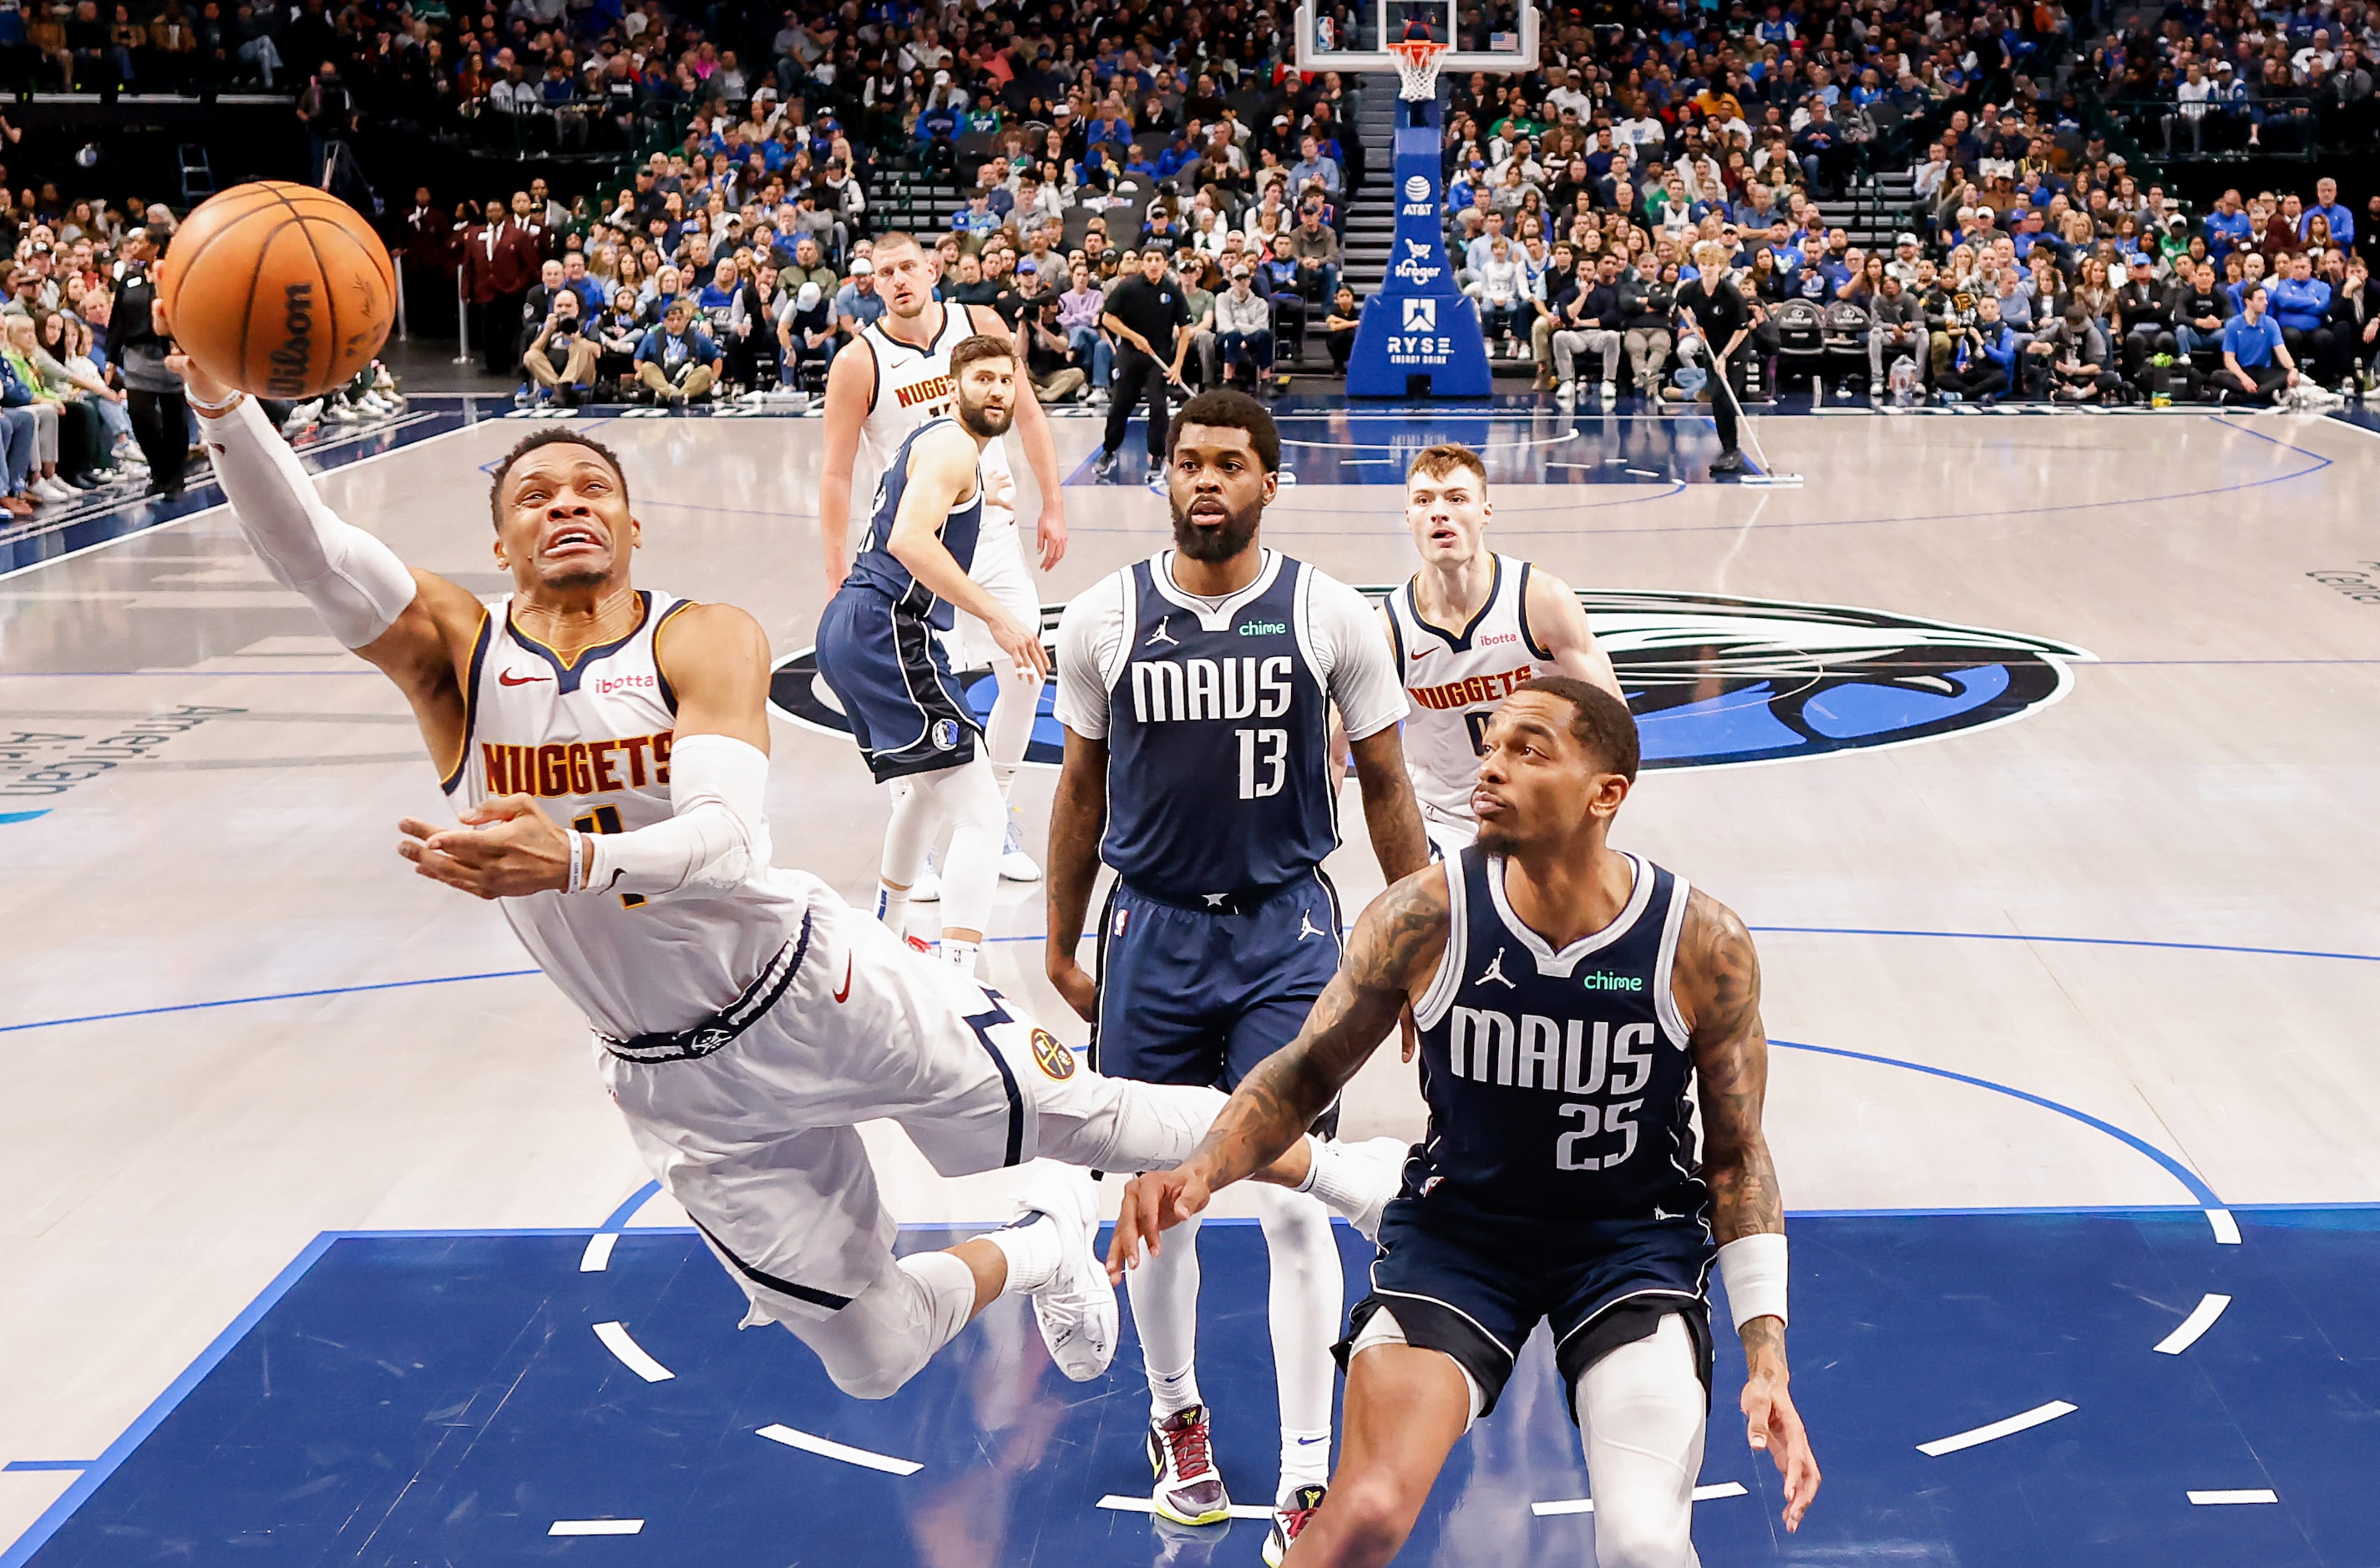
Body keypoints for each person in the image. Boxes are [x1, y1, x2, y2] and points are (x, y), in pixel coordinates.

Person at [170, 330, 1404, 1428]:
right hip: (673, 1075)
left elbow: (725, 836)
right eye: (535, 494)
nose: (568, 506)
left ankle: (1363, 1181)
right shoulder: (456, 654)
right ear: (498, 537)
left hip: (813, 983)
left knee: (1088, 1111)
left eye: (594, 487)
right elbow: (321, 557)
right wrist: (227, 410)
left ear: (634, 523)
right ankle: (1040, 1251)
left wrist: (578, 853)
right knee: (869, 1355)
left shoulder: (698, 634)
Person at [1109, 678, 1823, 1568]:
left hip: (1630, 1244)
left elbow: (1737, 1156)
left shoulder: (1700, 943)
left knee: (1645, 1543)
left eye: (1530, 748)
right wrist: (1200, 1169)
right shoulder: (1425, 914)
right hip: (1460, 1236)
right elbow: (1305, 1069)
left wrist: (1768, 1357)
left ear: (1607, 793)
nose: (1490, 765)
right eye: (1490, 746)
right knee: (1364, 1513)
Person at [1044, 390, 1429, 1564]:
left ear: (1270, 481)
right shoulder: (1105, 616)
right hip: (1149, 937)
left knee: (1292, 1196)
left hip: (1285, 938)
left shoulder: (1329, 614)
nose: (1203, 481)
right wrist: (1060, 943)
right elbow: (1076, 789)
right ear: (1163, 479)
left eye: (1227, 464)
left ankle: (1308, 1469)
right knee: (1159, 1200)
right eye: (1185, 463)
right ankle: (1178, 1417)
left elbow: (1386, 787)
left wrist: (1418, 949)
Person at [817, 231, 1068, 920]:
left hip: (990, 533)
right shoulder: (859, 359)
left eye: (907, 267)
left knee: (1027, 672)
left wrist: (1053, 502)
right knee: (932, 686)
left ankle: (997, 805)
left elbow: (1030, 415)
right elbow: (837, 471)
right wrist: (837, 565)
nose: (897, 280)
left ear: (932, 269)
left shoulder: (980, 326)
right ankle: (927, 833)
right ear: (872, 284)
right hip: (918, 546)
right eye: (882, 272)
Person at [1384, 444, 1619, 860]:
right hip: (1443, 821)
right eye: (1424, 501)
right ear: (1408, 518)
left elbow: (1615, 725)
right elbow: (1336, 750)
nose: (1440, 512)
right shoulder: (1388, 629)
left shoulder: (1540, 601)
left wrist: (1589, 831)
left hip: (1540, 816)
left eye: (1457, 499)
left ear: (1485, 512)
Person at [1093, 245, 1193, 486]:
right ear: (1142, 263)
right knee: (1120, 404)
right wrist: (1134, 337)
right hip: (1131, 352)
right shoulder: (1128, 287)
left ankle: (1157, 456)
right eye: (1148, 259)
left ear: (1166, 264)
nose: (1153, 264)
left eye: (1158, 259)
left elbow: (1186, 330)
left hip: (1159, 355)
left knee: (1158, 405)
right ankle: (1109, 450)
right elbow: (1107, 318)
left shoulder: (1172, 291)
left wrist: (1177, 365)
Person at [1674, 241, 1750, 473]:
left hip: (1734, 347)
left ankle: (1732, 450)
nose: (1707, 268)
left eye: (1712, 265)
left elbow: (1743, 329)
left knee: (1725, 397)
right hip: (1710, 347)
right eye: (1704, 264)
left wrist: (1725, 356)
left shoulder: (1731, 294)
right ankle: (1728, 448)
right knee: (1716, 398)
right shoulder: (1692, 289)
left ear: (1721, 266)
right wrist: (1693, 325)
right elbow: (1681, 304)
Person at [2216, 284, 2300, 403]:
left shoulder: (2271, 324)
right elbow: (2229, 359)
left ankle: (2241, 397)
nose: (2265, 302)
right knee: (2217, 376)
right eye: (2260, 299)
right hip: (2242, 371)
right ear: (2248, 301)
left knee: (2287, 377)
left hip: (2262, 371)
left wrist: (2292, 369)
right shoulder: (2233, 324)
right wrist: (2244, 378)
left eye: (2266, 299)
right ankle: (2265, 394)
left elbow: (2281, 350)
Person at [632, 298, 724, 404]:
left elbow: (716, 357)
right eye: (671, 320)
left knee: (706, 370)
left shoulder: (696, 336)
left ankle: (679, 396)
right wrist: (639, 371)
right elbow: (638, 358)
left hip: (688, 380)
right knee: (646, 367)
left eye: (679, 319)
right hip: (662, 379)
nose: (675, 324)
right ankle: (669, 394)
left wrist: (714, 378)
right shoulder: (652, 336)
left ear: (685, 320)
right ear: (664, 322)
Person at [522, 288, 598, 406]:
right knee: (530, 355)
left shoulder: (587, 325)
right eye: (560, 306)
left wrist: (576, 338)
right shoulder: (546, 327)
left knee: (582, 345)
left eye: (568, 306)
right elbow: (532, 354)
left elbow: (598, 352)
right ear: (553, 308)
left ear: (576, 309)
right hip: (553, 374)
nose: (564, 310)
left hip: (582, 375)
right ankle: (561, 390)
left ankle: (563, 388)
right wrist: (547, 332)